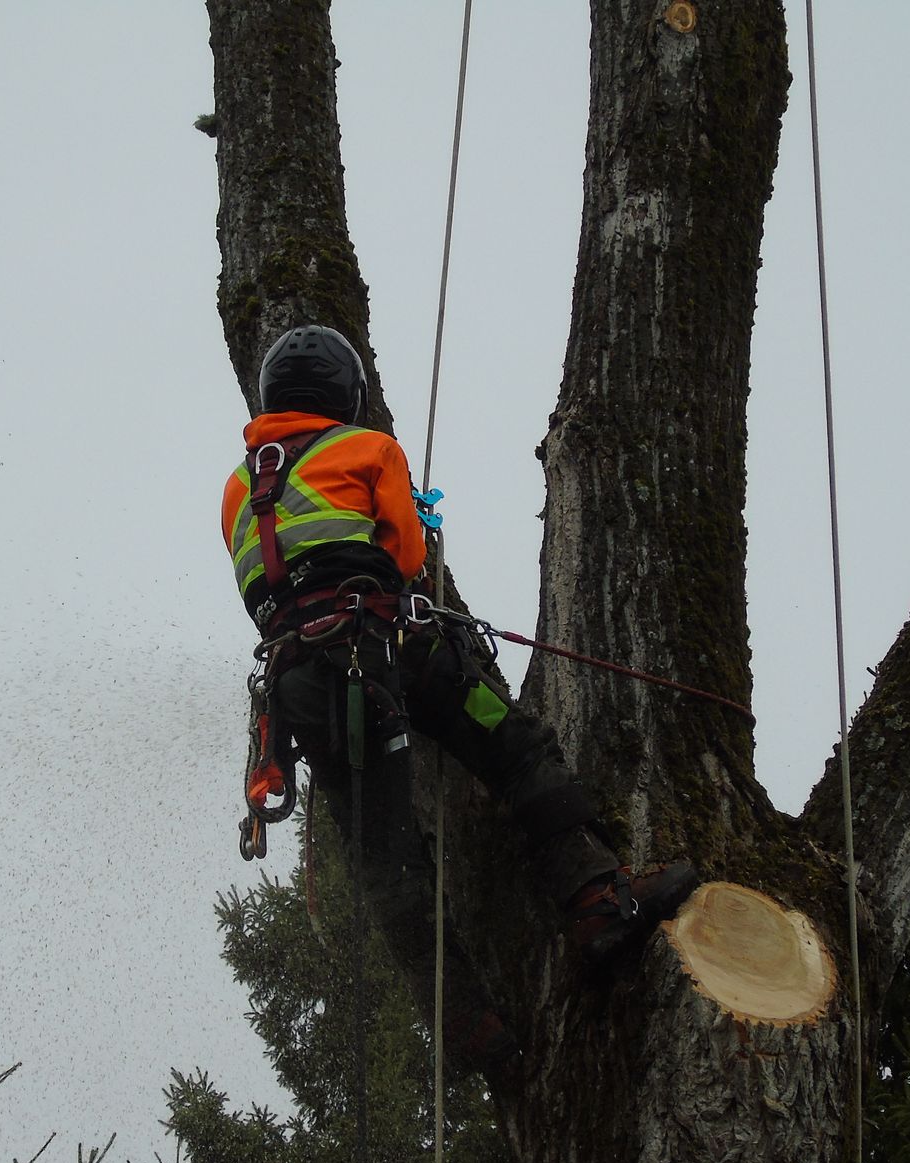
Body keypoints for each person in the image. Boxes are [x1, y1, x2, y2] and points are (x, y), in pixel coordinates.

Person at [221, 324, 697, 1072]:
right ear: (348, 395)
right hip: (395, 656)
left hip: (303, 694)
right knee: (514, 747)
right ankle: (597, 900)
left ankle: (464, 1027)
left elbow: (263, 593)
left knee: (386, 860)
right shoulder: (370, 449)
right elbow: (407, 555)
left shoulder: (240, 488)